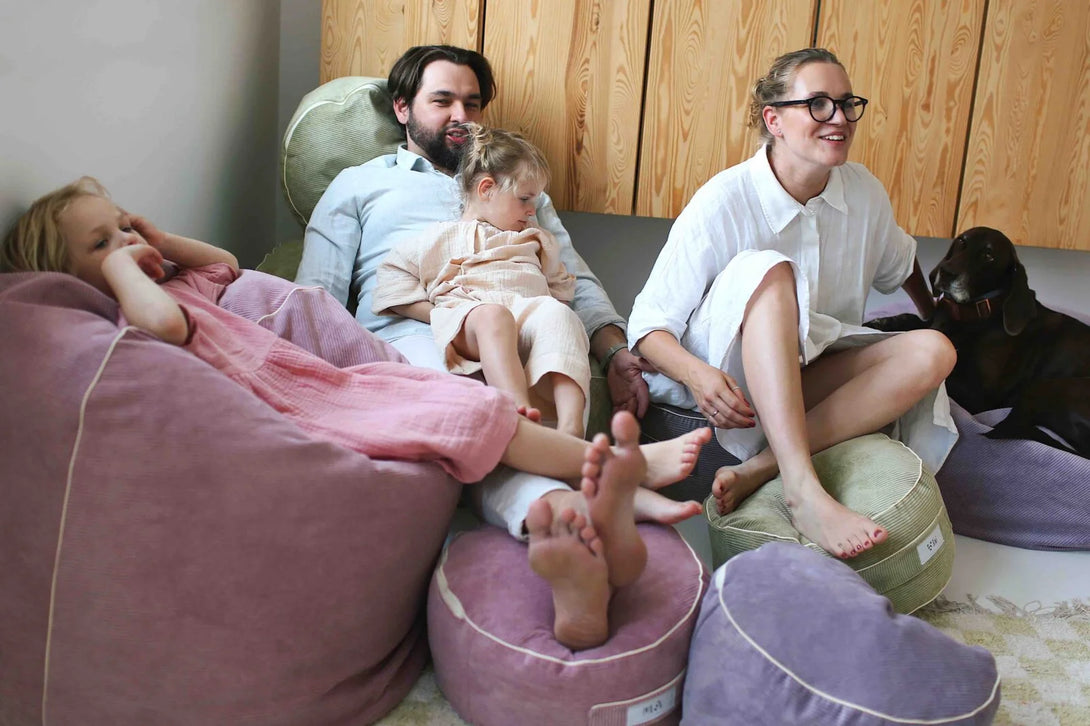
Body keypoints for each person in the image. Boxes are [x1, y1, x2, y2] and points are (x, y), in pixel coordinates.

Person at [2, 176, 710, 649]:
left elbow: (223, 261)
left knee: (470, 409)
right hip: (309, 391)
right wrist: (122, 267)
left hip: (327, 374)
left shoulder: (180, 280)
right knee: (465, 417)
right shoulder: (136, 310)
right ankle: (608, 482)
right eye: (102, 241)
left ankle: (605, 489)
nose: (126, 244)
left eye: (123, 227)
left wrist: (146, 238)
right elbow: (166, 325)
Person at [295, 45, 703, 552]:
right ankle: (596, 482)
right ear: (402, 108)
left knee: (548, 340)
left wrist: (616, 352)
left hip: (524, 326)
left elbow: (574, 280)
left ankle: (560, 506)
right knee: (468, 406)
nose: (461, 116)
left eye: (472, 103)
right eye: (442, 101)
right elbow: (314, 297)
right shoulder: (359, 184)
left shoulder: (522, 188)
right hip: (417, 333)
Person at [627, 48, 959, 560]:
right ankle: (802, 489)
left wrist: (933, 311)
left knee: (934, 349)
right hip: (732, 392)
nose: (839, 118)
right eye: (818, 104)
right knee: (770, 270)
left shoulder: (864, 192)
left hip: (808, 380)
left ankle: (762, 468)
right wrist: (699, 376)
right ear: (774, 120)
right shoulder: (724, 200)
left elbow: (900, 259)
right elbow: (648, 327)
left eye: (847, 104)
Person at [373, 123, 590, 438]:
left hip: (527, 316)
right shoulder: (438, 237)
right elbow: (390, 277)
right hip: (472, 320)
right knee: (493, 315)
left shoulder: (536, 239)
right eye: (525, 199)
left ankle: (572, 427)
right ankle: (519, 416)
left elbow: (560, 288)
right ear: (486, 189)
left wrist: (553, 316)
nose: (532, 211)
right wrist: (436, 313)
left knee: (560, 314)